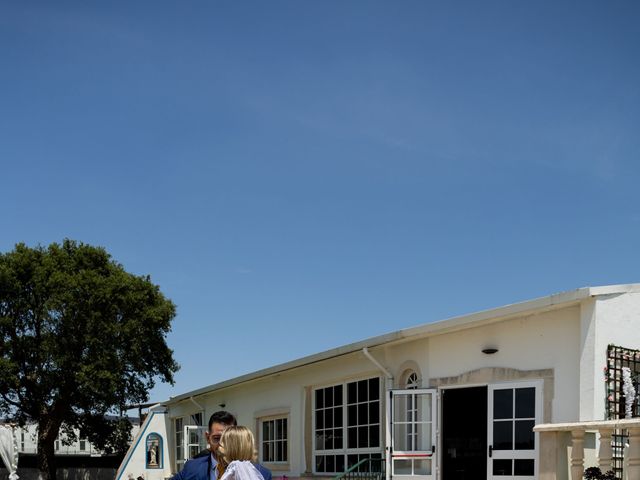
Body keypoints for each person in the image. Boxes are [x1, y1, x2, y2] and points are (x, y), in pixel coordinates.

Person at [170, 411, 271, 480]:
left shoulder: (262, 474)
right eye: (217, 438)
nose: (222, 444)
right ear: (207, 438)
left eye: (228, 439)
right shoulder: (192, 468)